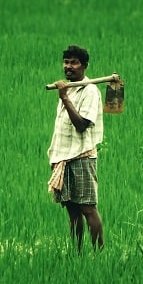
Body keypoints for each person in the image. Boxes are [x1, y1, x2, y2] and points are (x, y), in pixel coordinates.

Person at [47, 45, 104, 253]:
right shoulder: (68, 88)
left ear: (84, 66)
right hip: (63, 157)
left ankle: (99, 255)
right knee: (71, 210)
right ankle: (76, 253)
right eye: (66, 62)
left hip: (81, 157)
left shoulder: (90, 91)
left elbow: (81, 125)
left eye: (74, 63)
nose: (68, 67)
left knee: (88, 208)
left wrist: (64, 97)